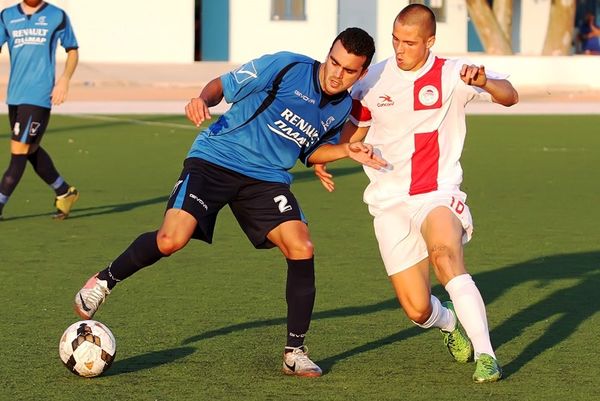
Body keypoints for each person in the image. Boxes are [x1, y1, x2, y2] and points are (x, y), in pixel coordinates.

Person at [74, 27, 384, 377]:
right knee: (171, 239)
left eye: (348, 71)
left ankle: (294, 351)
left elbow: (310, 151)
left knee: (302, 247)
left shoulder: (342, 106)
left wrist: (345, 149)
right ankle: (104, 281)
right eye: (334, 62)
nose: (336, 74)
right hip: (216, 158)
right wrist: (201, 100)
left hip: (266, 179)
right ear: (327, 53)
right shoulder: (286, 67)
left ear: (362, 73)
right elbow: (222, 84)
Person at [315, 5, 518, 383]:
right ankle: (447, 324)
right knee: (417, 309)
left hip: (437, 193)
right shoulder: (372, 80)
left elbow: (510, 96)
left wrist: (486, 82)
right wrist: (334, 154)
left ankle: (487, 355)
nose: (400, 48)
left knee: (444, 256)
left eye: (409, 42)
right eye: (395, 40)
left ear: (430, 41)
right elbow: (356, 130)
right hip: (389, 202)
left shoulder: (454, 73)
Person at [0, 0, 80, 220]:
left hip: (39, 95)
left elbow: (72, 49)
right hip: (15, 95)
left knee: (18, 152)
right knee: (30, 150)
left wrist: (64, 80)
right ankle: (64, 191)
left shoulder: (57, 15)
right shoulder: (7, 16)